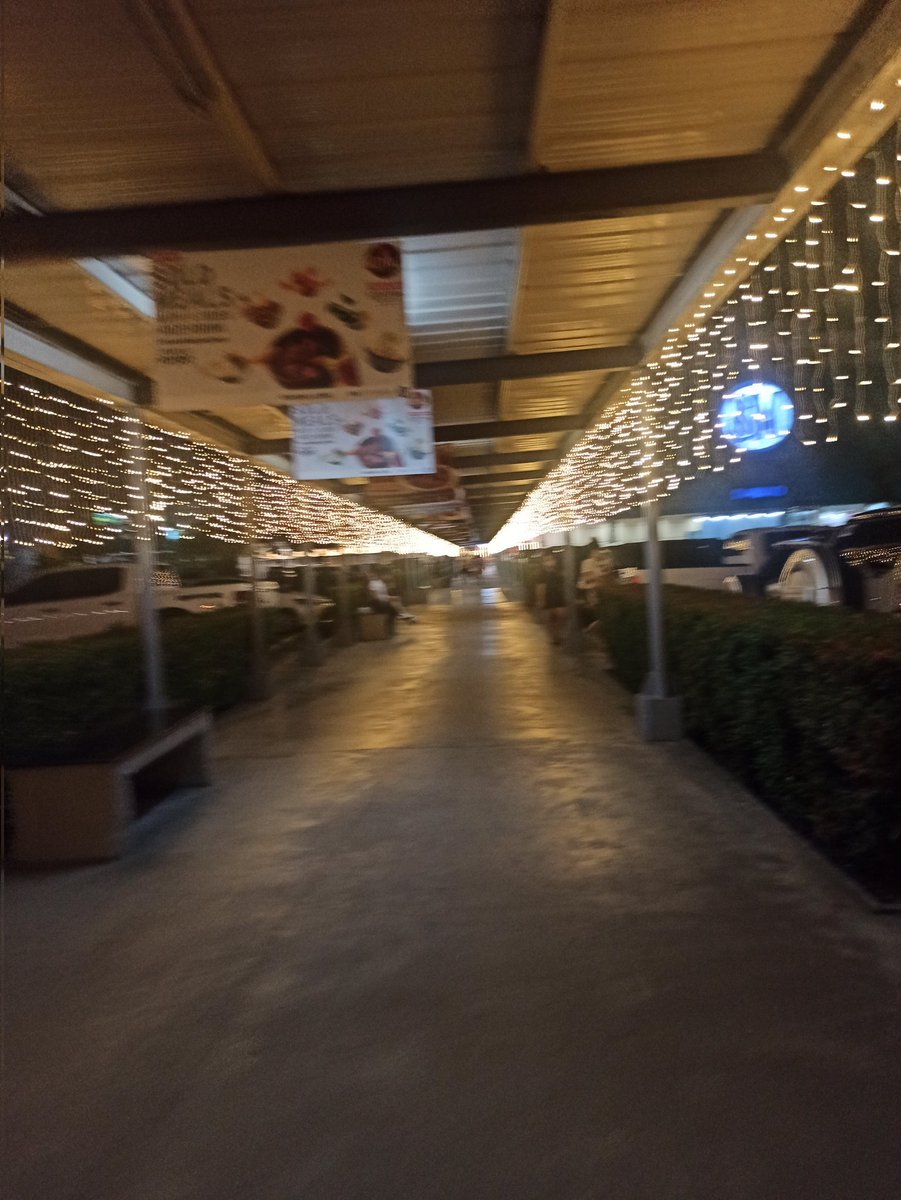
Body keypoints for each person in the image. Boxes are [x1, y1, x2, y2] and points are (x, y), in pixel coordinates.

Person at [535, 551, 567, 645]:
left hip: (558, 597)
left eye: (551, 559)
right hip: (547, 598)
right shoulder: (541, 574)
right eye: (547, 560)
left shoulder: (558, 573)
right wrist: (541, 600)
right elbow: (540, 588)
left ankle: (556, 634)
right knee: (549, 619)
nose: (550, 562)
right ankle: (554, 636)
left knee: (561, 615)